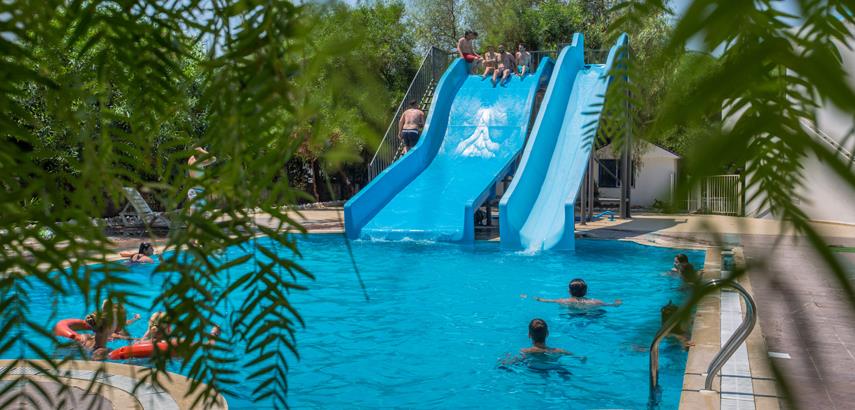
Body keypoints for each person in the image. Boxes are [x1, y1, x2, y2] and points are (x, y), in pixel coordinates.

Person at [525, 278, 622, 306]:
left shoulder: (563, 301)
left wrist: (532, 297)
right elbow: (613, 305)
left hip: (571, 316)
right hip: (589, 314)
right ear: (586, 291)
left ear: (569, 291)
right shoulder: (596, 302)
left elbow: (545, 300)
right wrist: (618, 302)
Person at [187, 146, 216, 211]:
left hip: (196, 191)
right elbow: (213, 159)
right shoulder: (196, 163)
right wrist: (202, 150)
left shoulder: (191, 158)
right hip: (196, 192)